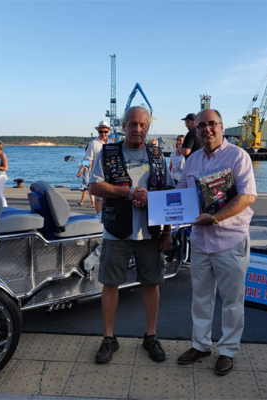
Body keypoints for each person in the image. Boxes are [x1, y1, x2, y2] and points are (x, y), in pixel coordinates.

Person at [89, 106, 175, 364]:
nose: (138, 129)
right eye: (133, 124)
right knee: (110, 284)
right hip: (117, 231)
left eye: (143, 125)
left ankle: (151, 336)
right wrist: (127, 193)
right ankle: (108, 338)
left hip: (150, 234)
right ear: (123, 126)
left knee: (152, 284)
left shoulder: (158, 155)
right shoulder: (108, 152)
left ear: (149, 127)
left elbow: (170, 194)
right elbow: (94, 185)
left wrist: (168, 231)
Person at [175, 109, 257, 376]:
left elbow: (247, 196)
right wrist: (157, 204)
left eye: (212, 124)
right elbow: (182, 194)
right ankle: (200, 345)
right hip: (200, 241)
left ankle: (228, 350)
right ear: (195, 130)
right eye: (201, 126)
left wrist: (215, 217)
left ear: (221, 127)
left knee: (232, 301)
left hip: (230, 240)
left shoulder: (238, 156)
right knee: (200, 297)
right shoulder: (193, 160)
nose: (206, 129)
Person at [85, 121, 110, 214]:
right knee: (98, 198)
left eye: (105, 131)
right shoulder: (93, 143)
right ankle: (99, 217)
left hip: (110, 174)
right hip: (98, 174)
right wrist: (87, 173)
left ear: (108, 132)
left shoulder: (112, 143)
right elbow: (88, 159)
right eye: (101, 132)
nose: (103, 134)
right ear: (98, 132)